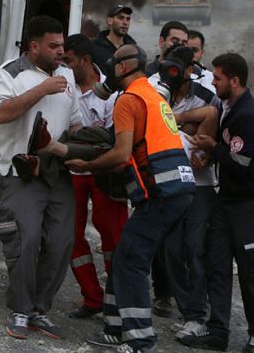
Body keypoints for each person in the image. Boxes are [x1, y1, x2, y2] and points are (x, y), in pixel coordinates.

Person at [70, 44, 196, 353]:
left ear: (123, 67)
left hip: (162, 193)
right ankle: (115, 328)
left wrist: (87, 165)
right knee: (125, 254)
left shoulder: (128, 100)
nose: (109, 71)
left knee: (132, 261)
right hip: (179, 189)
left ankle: (141, 340)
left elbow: (121, 154)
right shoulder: (152, 95)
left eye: (112, 65)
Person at [0, 15, 82, 340]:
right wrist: (41, 90)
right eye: (53, 46)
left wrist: (86, 142)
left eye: (62, 45)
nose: (61, 52)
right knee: (25, 240)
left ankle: (39, 310)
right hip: (21, 173)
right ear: (34, 46)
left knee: (61, 242)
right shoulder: (10, 72)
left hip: (56, 173)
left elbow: (75, 121)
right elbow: (0, 113)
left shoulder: (67, 74)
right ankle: (19, 309)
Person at [179, 52, 254, 353]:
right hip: (228, 199)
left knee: (250, 269)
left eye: (218, 78)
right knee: (217, 264)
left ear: (234, 80)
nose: (213, 82)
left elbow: (241, 162)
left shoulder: (246, 113)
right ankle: (218, 330)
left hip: (250, 203)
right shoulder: (227, 106)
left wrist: (213, 147)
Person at [147, 45, 220, 338]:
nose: (171, 73)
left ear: (190, 69)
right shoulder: (156, 92)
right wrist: (187, 125)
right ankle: (188, 308)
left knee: (195, 248)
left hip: (199, 186)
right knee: (171, 249)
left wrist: (181, 123)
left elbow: (212, 130)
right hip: (167, 183)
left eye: (178, 67)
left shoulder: (206, 96)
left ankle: (196, 315)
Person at [60, 34, 128, 319]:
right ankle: (92, 298)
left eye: (68, 60)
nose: (63, 66)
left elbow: (115, 140)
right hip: (72, 173)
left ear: (85, 61)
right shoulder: (63, 89)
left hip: (104, 172)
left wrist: (92, 157)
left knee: (113, 235)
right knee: (69, 235)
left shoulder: (111, 94)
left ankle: (120, 301)